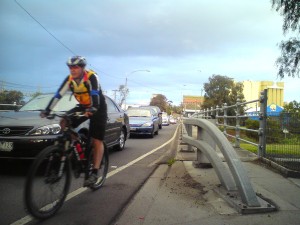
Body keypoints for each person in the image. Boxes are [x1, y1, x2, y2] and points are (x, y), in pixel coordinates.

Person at [41, 56, 107, 187]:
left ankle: (94, 172)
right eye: (70, 67)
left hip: (98, 107)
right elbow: (58, 95)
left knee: (96, 139)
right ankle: (76, 143)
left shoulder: (92, 77)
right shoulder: (69, 80)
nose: (72, 70)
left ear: (82, 68)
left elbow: (94, 93)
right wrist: (48, 109)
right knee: (64, 122)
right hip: (83, 106)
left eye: (75, 67)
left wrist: (93, 109)